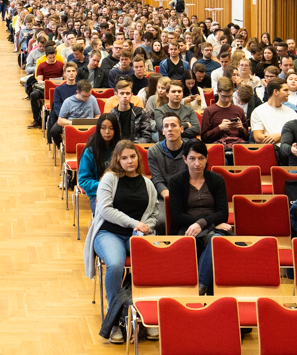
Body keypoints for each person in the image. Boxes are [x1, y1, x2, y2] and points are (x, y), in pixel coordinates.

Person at [83, 140, 161, 343]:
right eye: (124, 158)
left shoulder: (147, 183)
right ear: (117, 159)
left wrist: (145, 226)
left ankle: (146, 317)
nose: (129, 161)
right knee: (116, 265)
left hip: (137, 234)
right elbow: (105, 210)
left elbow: (154, 213)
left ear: (138, 158)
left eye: (132, 157)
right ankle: (115, 318)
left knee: (151, 262)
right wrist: (135, 223)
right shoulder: (109, 179)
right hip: (109, 232)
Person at [167, 139, 231, 292]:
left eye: (201, 158)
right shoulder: (176, 181)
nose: (197, 163)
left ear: (207, 159)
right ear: (184, 159)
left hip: (211, 229)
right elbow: (177, 215)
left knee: (217, 240)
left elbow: (223, 213)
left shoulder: (216, 180)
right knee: (216, 239)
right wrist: (209, 223)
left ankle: (200, 287)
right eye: (192, 158)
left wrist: (203, 223)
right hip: (187, 227)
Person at [77, 114, 120, 214]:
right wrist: (105, 186)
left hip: (119, 192)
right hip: (98, 194)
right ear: (98, 129)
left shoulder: (121, 150)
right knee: (108, 214)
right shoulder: (90, 152)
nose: (107, 132)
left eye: (111, 128)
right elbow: (84, 180)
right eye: (103, 128)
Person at [200, 77, 248, 157]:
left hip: (238, 147)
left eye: (230, 96)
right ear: (217, 92)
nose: (227, 100)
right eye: (224, 96)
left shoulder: (239, 110)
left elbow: (247, 137)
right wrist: (220, 128)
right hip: (218, 148)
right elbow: (204, 138)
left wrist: (241, 128)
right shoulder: (209, 111)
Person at [146, 114, 187, 202]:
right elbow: (158, 181)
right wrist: (170, 199)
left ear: (181, 129)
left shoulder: (190, 150)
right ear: (163, 131)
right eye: (166, 126)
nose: (170, 129)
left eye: (173, 125)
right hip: (162, 197)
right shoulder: (153, 151)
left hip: (187, 196)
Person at [49, 80, 101, 149]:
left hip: (89, 128)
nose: (87, 98)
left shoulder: (92, 99)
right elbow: (60, 120)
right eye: (84, 96)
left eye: (89, 95)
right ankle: (63, 149)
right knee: (54, 131)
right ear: (77, 92)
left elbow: (98, 115)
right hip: (73, 127)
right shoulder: (68, 101)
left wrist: (95, 121)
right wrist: (73, 123)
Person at [251, 79, 296, 145]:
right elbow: (258, 137)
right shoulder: (258, 111)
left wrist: (279, 135)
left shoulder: (292, 113)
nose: (289, 93)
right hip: (266, 150)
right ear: (275, 92)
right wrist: (284, 137)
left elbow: (295, 135)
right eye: (285, 90)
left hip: (287, 150)